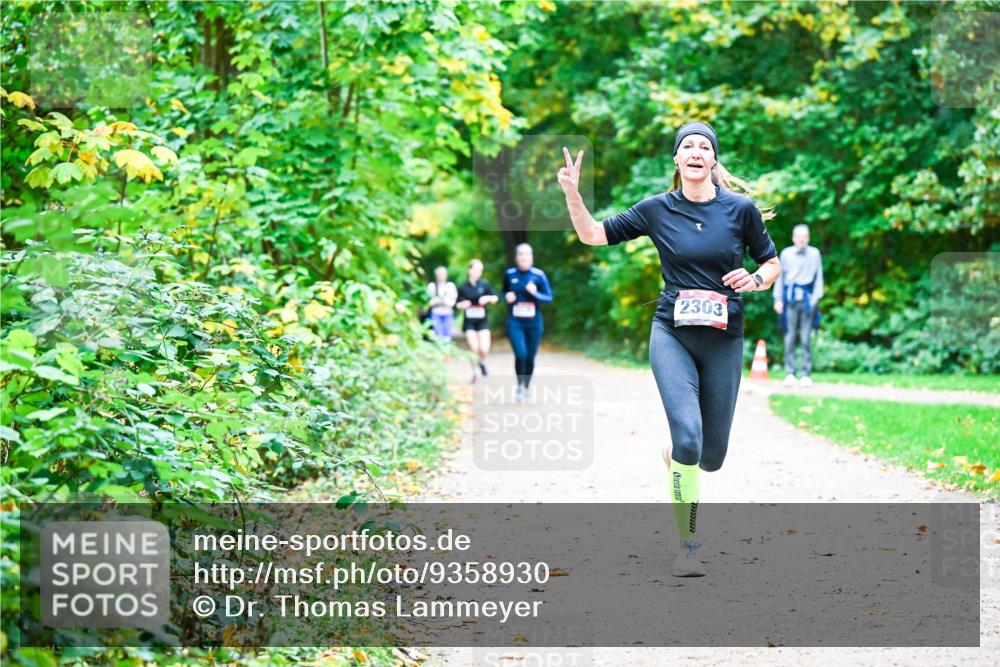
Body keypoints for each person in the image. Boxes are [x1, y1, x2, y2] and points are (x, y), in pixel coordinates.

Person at [558, 121, 781, 577]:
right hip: (672, 334)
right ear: (677, 161)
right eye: (687, 146)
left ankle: (680, 460)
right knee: (688, 437)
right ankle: (689, 543)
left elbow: (772, 262)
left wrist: (756, 280)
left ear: (713, 161)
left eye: (704, 146)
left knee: (711, 457)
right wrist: (572, 195)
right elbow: (593, 235)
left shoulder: (740, 211)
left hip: (724, 339)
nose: (696, 152)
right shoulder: (657, 209)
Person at [773, 224, 824, 387]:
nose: (801, 239)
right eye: (799, 236)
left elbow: (819, 278)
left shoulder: (815, 253)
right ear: (794, 238)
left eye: (804, 236)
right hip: (790, 300)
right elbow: (779, 277)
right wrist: (778, 299)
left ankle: (806, 374)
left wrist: (816, 299)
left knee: (805, 337)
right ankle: (790, 373)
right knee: (789, 337)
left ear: (808, 238)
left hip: (808, 300)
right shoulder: (786, 254)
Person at [503, 243, 553, 404]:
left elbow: (549, 297)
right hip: (515, 322)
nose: (524, 257)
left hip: (534, 323)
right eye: (521, 255)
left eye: (527, 254)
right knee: (521, 354)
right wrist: (506, 297)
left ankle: (526, 386)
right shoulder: (510, 274)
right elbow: (504, 291)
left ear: (532, 257)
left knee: (530, 357)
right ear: (516, 257)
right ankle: (520, 387)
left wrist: (535, 293)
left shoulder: (539, 275)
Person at [456, 258, 499, 383]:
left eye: (480, 270)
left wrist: (489, 298)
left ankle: (482, 362)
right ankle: (474, 371)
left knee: (484, 348)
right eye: (475, 269)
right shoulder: (463, 287)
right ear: (469, 270)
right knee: (474, 348)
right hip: (469, 322)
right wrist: (462, 304)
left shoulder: (485, 285)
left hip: (482, 321)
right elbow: (456, 305)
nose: (478, 272)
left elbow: (496, 298)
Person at [426, 266, 458, 344]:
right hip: (436, 313)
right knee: (438, 335)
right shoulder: (432, 286)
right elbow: (428, 302)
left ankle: (446, 354)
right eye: (439, 275)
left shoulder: (450, 286)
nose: (441, 277)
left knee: (447, 336)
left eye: (443, 275)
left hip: (448, 313)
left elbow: (452, 301)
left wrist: (441, 300)